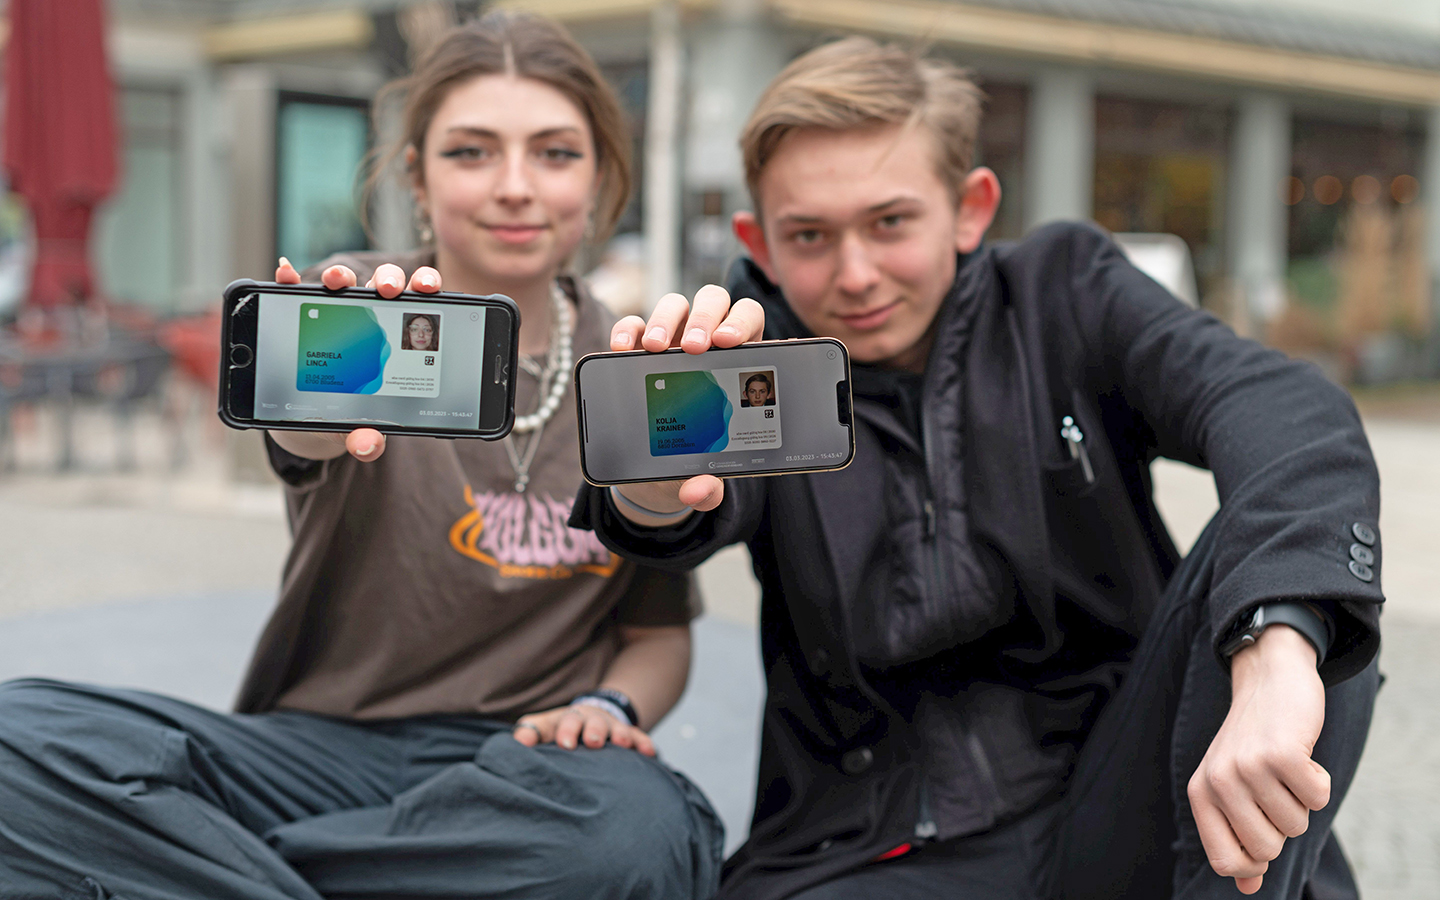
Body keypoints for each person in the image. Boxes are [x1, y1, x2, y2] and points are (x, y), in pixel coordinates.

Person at [571, 38, 1382, 900]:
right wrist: (652, 491)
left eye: (890, 222)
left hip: (1121, 791)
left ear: (970, 207)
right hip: (874, 838)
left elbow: (1282, 410)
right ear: (757, 241)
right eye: (808, 235)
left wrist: (1275, 648)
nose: (855, 274)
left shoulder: (1063, 292)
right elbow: (678, 517)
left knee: (1293, 567)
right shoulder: (754, 349)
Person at [0, 13, 753, 899]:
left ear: (600, 180)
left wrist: (607, 708)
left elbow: (657, 634)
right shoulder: (357, 306)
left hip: (530, 772)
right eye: (471, 152)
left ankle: (252, 870)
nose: (516, 186)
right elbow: (301, 441)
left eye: (555, 153)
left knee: (637, 836)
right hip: (317, 753)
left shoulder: (632, 360)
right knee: (19, 743)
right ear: (418, 180)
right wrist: (312, 420)